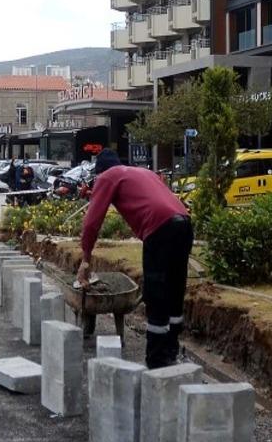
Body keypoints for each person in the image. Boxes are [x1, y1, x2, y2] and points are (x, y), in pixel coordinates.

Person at [76, 149, 192, 369]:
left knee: (156, 293)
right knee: (175, 289)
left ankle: (157, 362)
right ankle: (172, 352)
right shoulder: (142, 172)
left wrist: (86, 259)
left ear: (100, 171)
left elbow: (92, 221)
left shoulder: (107, 176)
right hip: (184, 223)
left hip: (159, 228)